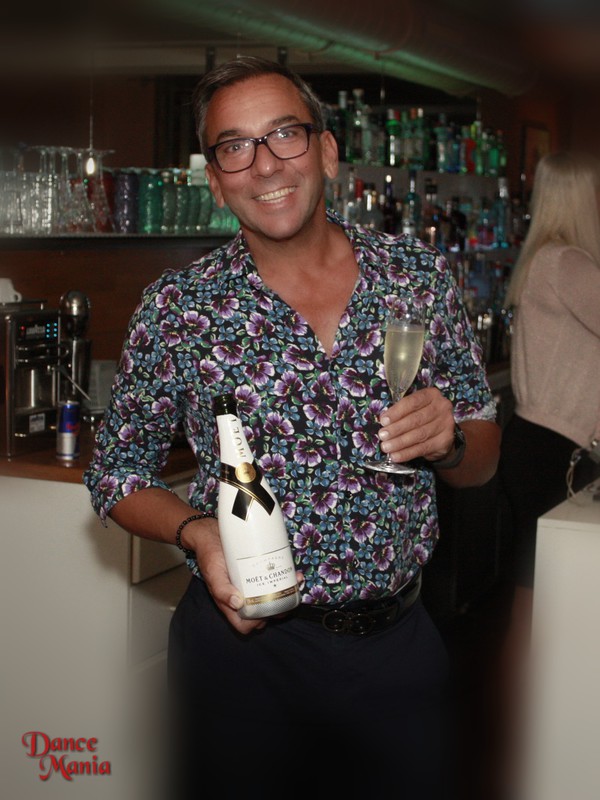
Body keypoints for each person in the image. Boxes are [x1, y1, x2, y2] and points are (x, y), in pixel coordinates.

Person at [83, 56, 500, 799]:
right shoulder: (179, 309)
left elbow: (483, 457)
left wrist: (452, 441)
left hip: (398, 655)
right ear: (215, 181)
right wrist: (197, 534)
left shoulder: (416, 277)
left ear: (327, 151)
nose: (265, 164)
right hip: (244, 665)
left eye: (285, 134)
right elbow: (116, 474)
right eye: (234, 146)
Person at [496, 150, 600, 793]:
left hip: (537, 445)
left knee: (532, 599)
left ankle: (524, 739)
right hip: (556, 451)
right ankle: (533, 743)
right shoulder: (568, 263)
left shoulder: (550, 260)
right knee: (540, 603)